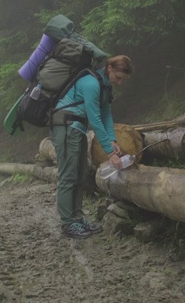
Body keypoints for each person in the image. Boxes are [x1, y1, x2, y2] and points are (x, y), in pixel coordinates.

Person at [50, 55, 133, 238]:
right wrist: (110, 153)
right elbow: (94, 119)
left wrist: (112, 140)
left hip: (77, 128)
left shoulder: (105, 86)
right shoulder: (91, 84)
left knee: (80, 174)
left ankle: (78, 219)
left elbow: (106, 114)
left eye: (123, 80)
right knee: (68, 175)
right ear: (109, 68)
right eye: (118, 77)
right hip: (65, 126)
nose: (120, 83)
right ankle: (67, 223)